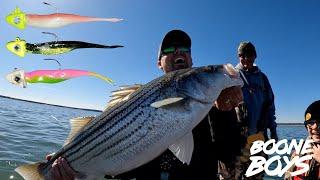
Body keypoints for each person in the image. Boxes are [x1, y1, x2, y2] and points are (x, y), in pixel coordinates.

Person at [47, 29, 244, 180]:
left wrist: (225, 114)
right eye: (169, 50)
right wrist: (69, 170)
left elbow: (230, 154)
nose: (178, 52)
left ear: (191, 59)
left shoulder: (214, 106)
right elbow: (121, 171)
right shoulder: (139, 98)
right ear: (159, 63)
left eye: (185, 49)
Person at [285, 100, 320, 179]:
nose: (315, 128)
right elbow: (288, 174)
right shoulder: (301, 148)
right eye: (311, 123)